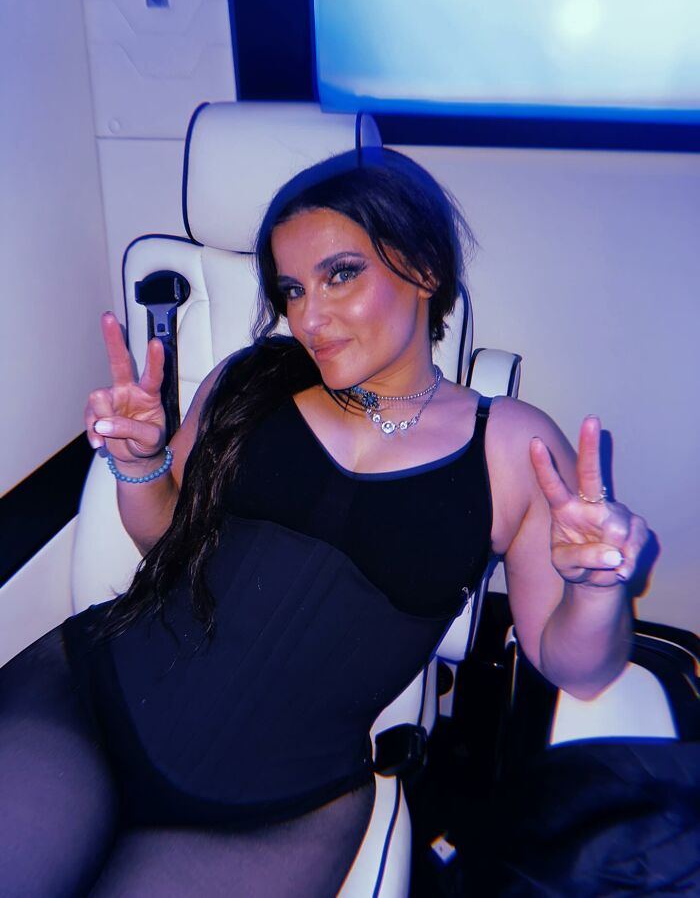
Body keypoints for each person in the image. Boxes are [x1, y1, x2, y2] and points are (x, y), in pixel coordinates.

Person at [0, 148, 648, 896]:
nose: (308, 314)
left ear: (424, 271)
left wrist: (597, 589)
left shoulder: (510, 445)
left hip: (272, 810)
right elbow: (164, 537)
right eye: (291, 289)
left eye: (342, 274)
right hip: (89, 708)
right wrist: (140, 458)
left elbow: (575, 665)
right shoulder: (251, 382)